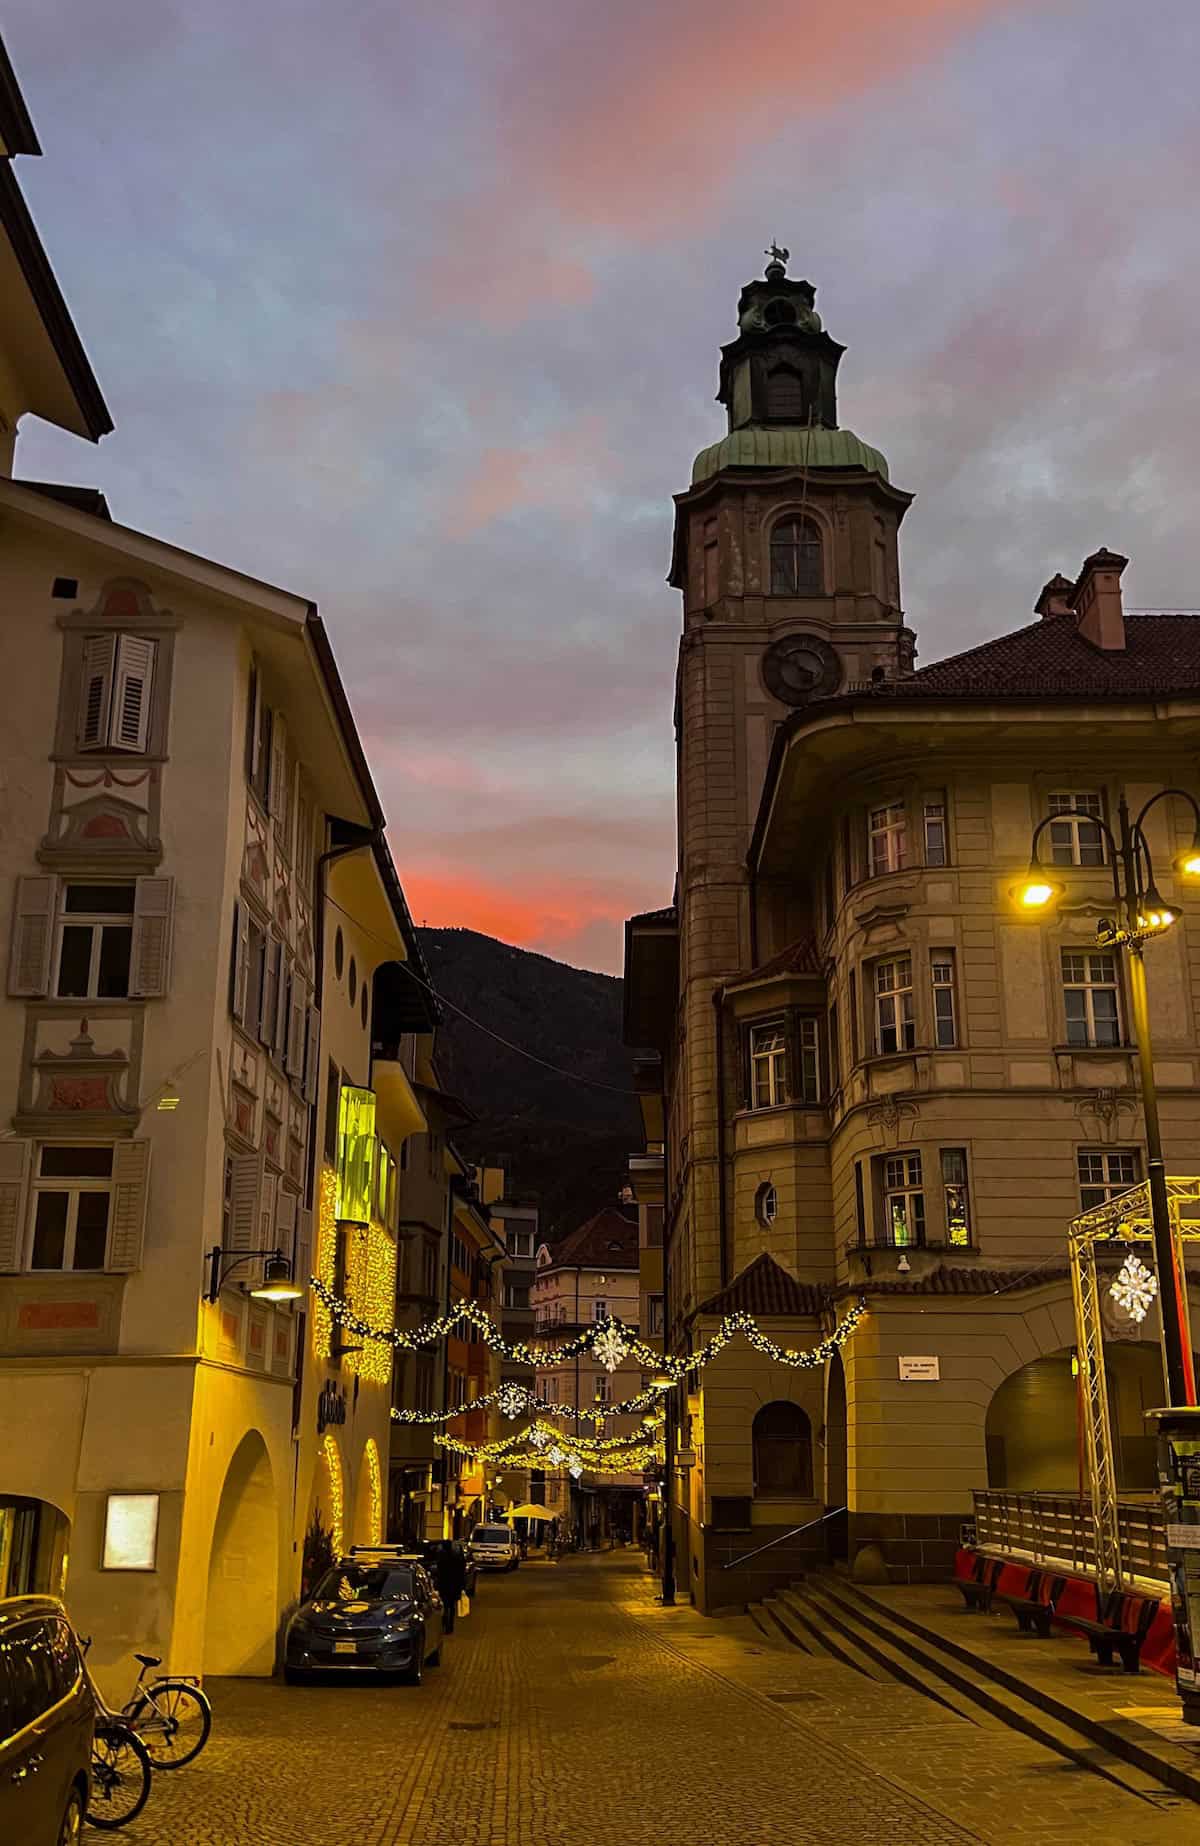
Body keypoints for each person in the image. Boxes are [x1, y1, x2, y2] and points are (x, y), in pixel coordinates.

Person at [433, 1539, 466, 1633]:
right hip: (455, 1586)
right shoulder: (458, 1559)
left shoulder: (442, 1559)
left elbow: (438, 1573)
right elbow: (461, 1573)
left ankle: (444, 1622)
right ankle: (450, 1626)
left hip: (444, 1585)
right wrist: (462, 1586)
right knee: (451, 1606)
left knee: (445, 1605)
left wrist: (437, 1585)